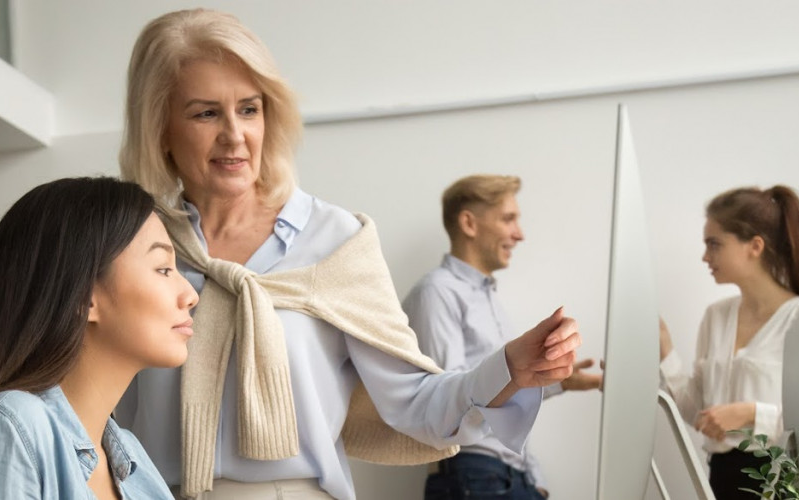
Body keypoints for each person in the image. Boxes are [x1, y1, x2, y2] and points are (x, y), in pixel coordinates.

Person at [113, 9, 584, 500]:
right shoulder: (135, 243)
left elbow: (414, 401)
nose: (235, 134)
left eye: (249, 109)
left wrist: (507, 367)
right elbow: (109, 410)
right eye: (206, 113)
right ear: (160, 127)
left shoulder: (334, 239)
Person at [0, 177, 198, 499]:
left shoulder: (130, 458)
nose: (190, 295)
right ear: (84, 295)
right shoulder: (12, 426)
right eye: (163, 269)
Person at [403, 174, 602, 500]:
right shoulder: (436, 293)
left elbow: (498, 387)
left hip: (509, 478)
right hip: (476, 475)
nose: (519, 234)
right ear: (469, 223)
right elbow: (448, 404)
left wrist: (560, 382)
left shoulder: (488, 299)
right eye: (508, 219)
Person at [659, 185, 799, 500]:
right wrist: (666, 351)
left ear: (754, 246)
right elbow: (698, 411)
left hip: (779, 483)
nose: (705, 256)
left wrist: (752, 414)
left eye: (714, 244)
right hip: (721, 480)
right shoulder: (716, 317)